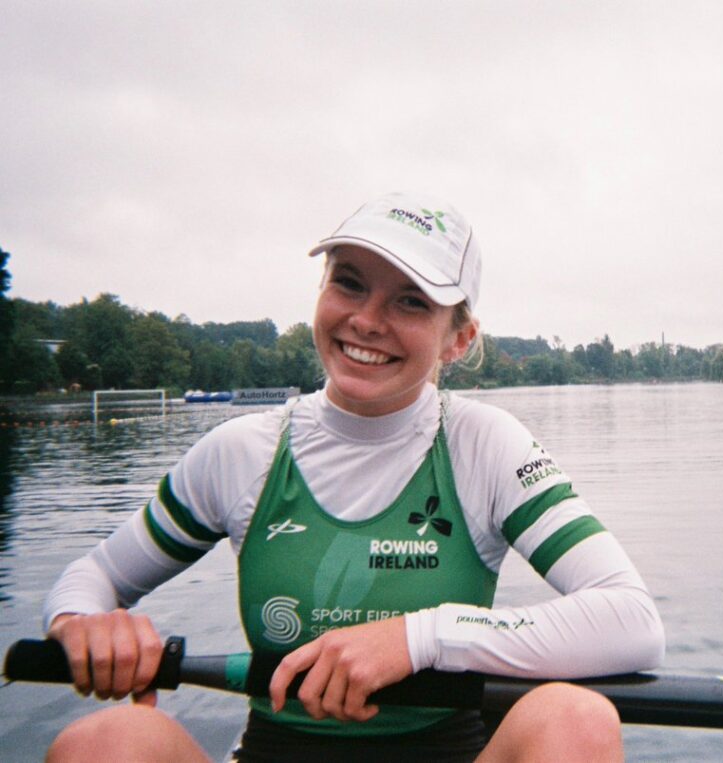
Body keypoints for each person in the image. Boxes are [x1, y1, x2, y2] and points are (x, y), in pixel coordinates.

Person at [42, 192, 666, 762]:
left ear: (458, 338)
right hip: (278, 748)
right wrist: (83, 624)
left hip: (446, 748)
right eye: (350, 284)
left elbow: (630, 622)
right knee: (106, 740)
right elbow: (91, 577)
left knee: (575, 719)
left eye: (410, 301)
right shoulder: (243, 453)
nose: (367, 321)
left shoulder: (486, 445)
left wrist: (418, 639)